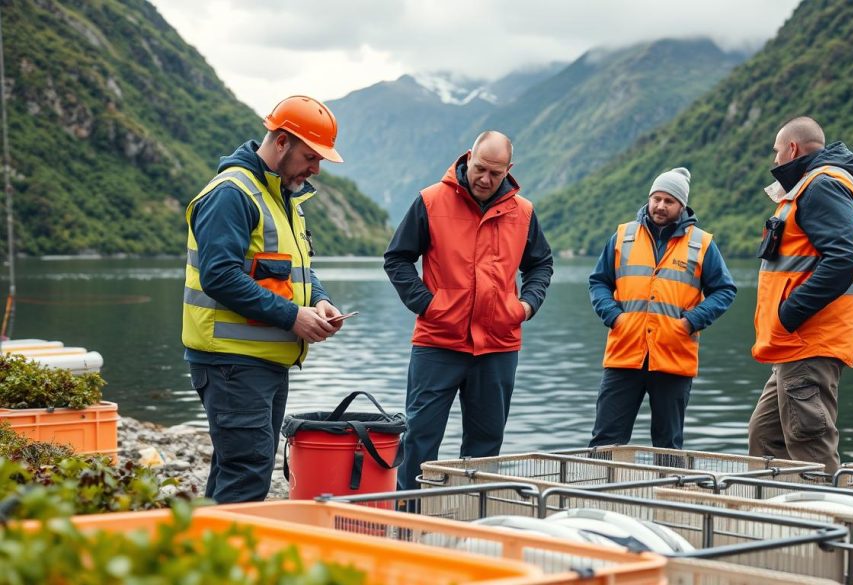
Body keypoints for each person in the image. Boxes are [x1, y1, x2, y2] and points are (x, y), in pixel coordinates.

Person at [182, 95, 346, 502]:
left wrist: (319, 301)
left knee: (236, 471)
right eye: (310, 156)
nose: (316, 169)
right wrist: (293, 317)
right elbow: (219, 276)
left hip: (260, 363)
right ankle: (231, 563)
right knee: (247, 476)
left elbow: (297, 272)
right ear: (281, 142)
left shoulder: (282, 196)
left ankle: (204, 559)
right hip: (231, 364)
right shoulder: (232, 193)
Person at [384, 131, 554, 490]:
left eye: (495, 173)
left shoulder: (523, 212)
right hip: (438, 341)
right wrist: (428, 304)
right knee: (419, 439)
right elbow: (397, 259)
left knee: (485, 448)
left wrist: (526, 306)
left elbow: (540, 264)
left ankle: (474, 523)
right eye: (479, 169)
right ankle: (408, 519)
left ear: (509, 169)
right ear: (468, 158)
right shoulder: (431, 201)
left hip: (498, 345)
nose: (485, 179)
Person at [748, 116, 853, 474]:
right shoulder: (809, 187)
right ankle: (781, 514)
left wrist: (790, 312)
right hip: (793, 344)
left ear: (793, 149)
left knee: (810, 443)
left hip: (808, 340)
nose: (774, 161)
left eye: (776, 151)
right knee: (765, 436)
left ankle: (830, 524)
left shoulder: (821, 186)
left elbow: (845, 258)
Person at [588, 167, 736, 449]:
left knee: (668, 444)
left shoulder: (701, 243)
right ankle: (597, 491)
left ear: (682, 205)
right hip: (624, 354)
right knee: (606, 439)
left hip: (673, 356)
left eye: (669, 201)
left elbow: (725, 290)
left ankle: (669, 491)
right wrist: (614, 317)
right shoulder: (622, 237)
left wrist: (690, 322)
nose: (660, 206)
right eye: (656, 198)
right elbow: (598, 282)